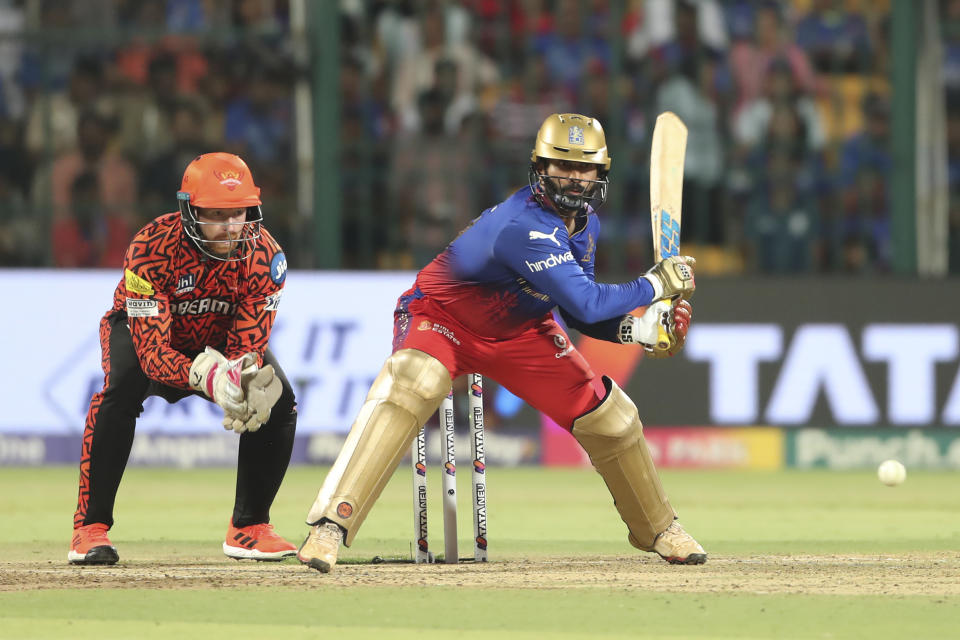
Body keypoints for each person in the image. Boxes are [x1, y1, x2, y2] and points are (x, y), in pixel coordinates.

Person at [298, 113, 706, 573]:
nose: (573, 178)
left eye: (584, 168)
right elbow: (591, 304)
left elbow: (575, 314)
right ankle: (330, 525)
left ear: (599, 174)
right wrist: (653, 286)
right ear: (539, 167)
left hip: (519, 331)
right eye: (561, 166)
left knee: (612, 418)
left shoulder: (585, 225)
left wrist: (638, 332)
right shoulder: (525, 225)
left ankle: (658, 528)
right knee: (415, 381)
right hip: (441, 318)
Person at [69, 152, 298, 565]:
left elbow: (248, 345)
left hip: (219, 335)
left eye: (239, 213)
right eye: (216, 214)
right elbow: (154, 356)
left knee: (277, 403)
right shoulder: (149, 249)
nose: (232, 227)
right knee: (119, 392)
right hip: (144, 334)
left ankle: (249, 528)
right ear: (189, 210)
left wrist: (238, 376)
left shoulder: (267, 259)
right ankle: (90, 529)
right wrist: (209, 377)